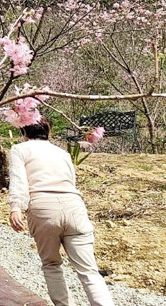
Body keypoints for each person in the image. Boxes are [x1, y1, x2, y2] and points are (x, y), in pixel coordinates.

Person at [8, 117, 115, 306]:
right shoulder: (62, 153)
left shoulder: (19, 149)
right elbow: (71, 180)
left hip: (43, 208)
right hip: (74, 205)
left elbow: (19, 180)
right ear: (48, 131)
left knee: (51, 265)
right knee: (89, 270)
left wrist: (16, 208)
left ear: (23, 132)